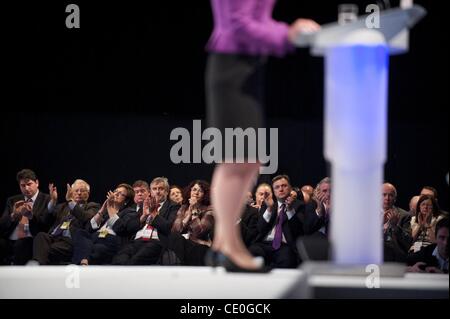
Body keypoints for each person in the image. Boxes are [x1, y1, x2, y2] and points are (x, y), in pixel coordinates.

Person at [205, 0, 320, 271]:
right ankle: (229, 248)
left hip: (248, 67)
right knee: (237, 160)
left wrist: (287, 32)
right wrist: (287, 34)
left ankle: (222, 246)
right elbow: (239, 24)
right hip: (231, 63)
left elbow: (257, 20)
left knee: (249, 161)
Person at [0, 169, 51, 265]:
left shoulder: (47, 199)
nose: (26, 188)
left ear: (37, 183)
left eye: (29, 184)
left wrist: (30, 216)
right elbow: (2, 225)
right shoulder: (12, 200)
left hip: (31, 241)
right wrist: (13, 216)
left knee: (22, 244)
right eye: (23, 186)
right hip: (10, 240)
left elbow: (45, 225)